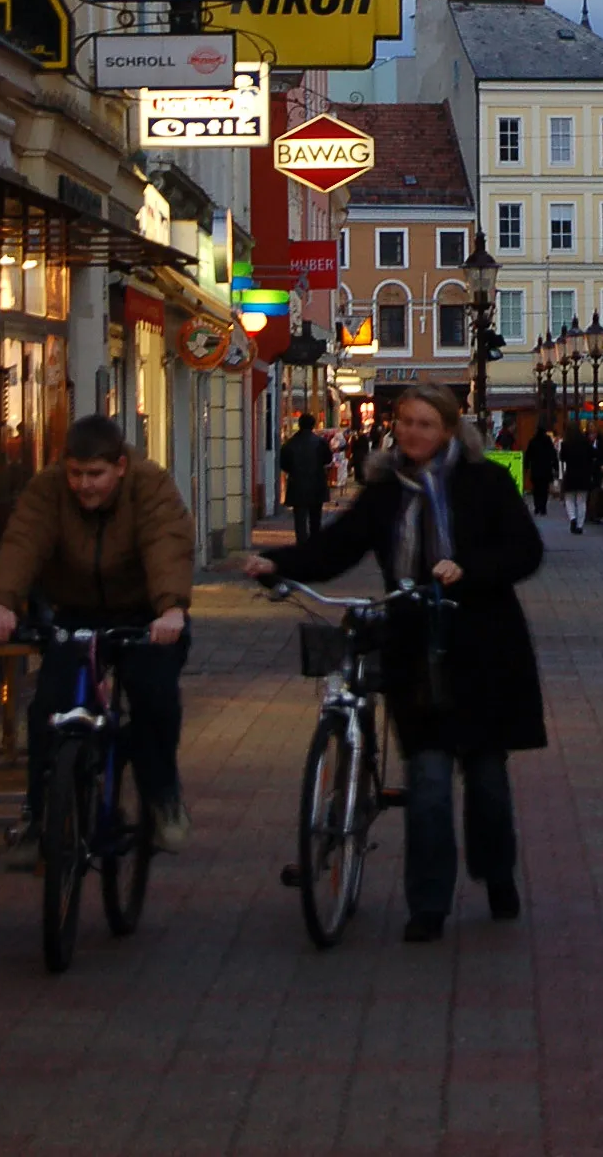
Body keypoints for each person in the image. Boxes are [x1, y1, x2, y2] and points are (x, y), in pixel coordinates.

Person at [247, 381, 545, 942]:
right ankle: (428, 903)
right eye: (406, 421)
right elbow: (336, 548)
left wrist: (469, 568)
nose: (412, 432)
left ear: (450, 430)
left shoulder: (487, 482)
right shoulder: (385, 491)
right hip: (415, 647)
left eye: (425, 424)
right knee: (428, 779)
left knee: (485, 778)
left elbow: (525, 550)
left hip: (483, 645)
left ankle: (497, 873)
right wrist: (276, 563)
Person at [0, 414, 194, 864]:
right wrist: (2, 600)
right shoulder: (49, 489)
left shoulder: (150, 486)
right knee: (47, 708)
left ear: (120, 466)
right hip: (75, 609)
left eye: (95, 474)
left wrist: (172, 608)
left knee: (154, 697)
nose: (84, 485)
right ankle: (41, 818)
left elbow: (166, 544)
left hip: (146, 612)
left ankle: (162, 797)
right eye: (75, 473)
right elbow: (24, 541)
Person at [280, 412, 333, 545]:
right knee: (315, 519)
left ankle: (302, 546)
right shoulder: (320, 442)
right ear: (313, 425)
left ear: (299, 425)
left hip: (297, 485)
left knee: (300, 520)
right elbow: (328, 459)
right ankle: (314, 544)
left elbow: (284, 464)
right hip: (317, 484)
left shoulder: (290, 443)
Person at [558, 419, 598, 535]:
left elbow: (562, 457)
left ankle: (572, 518)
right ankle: (580, 525)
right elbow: (593, 454)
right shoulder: (585, 442)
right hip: (583, 475)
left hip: (570, 474)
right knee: (581, 501)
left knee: (569, 499)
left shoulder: (565, 443)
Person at [522, 422, 558, 518]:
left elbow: (528, 456)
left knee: (536, 489)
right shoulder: (548, 441)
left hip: (535, 469)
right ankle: (543, 507)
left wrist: (525, 467)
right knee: (544, 489)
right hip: (546, 469)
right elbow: (553, 455)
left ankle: (537, 506)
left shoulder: (533, 441)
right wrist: (556, 467)